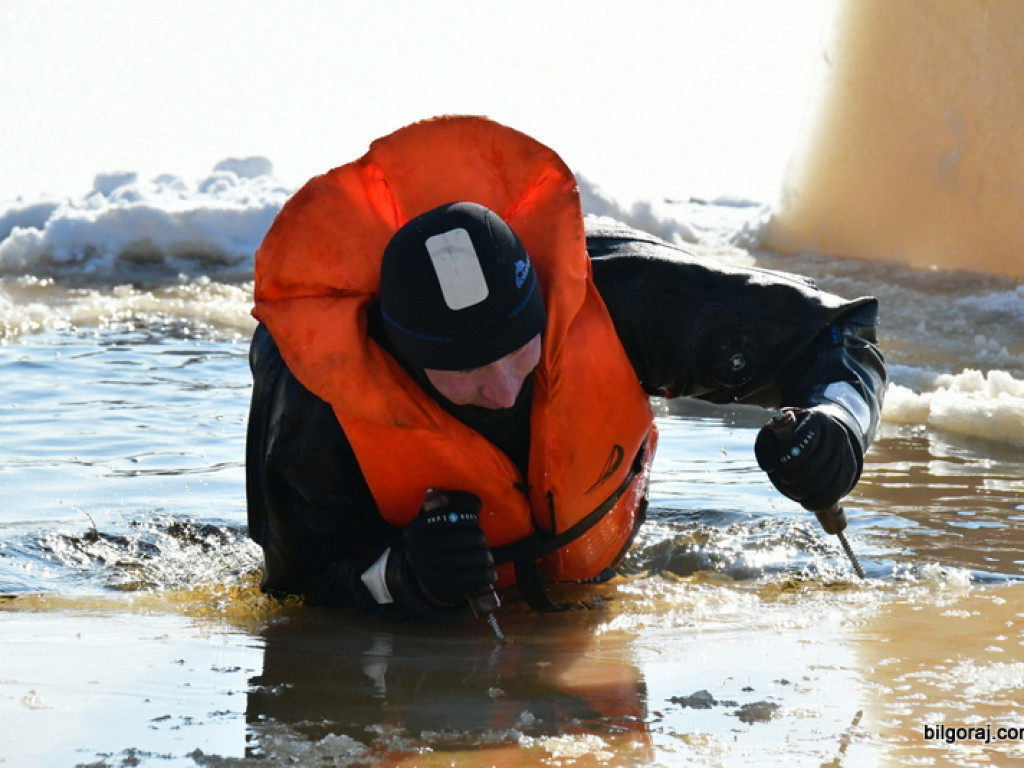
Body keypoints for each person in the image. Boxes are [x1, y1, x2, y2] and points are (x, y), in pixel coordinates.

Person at [245, 115, 887, 617]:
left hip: (597, 579)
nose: (499, 390)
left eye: (516, 352)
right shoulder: (314, 389)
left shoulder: (617, 291)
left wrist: (837, 427)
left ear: (543, 308)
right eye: (464, 371)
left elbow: (837, 337)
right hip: (441, 648)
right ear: (402, 353)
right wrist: (405, 578)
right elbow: (297, 588)